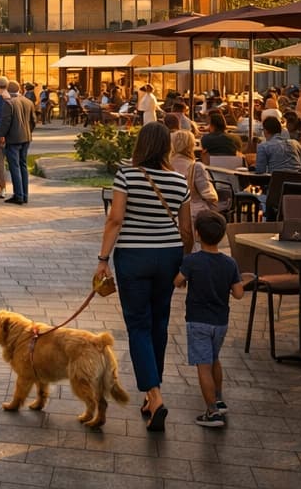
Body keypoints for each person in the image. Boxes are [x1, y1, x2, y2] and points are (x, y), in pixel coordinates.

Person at [95, 122, 192, 433]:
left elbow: (116, 219)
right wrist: (184, 267)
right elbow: (187, 231)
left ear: (140, 145)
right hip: (169, 257)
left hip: (133, 258)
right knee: (158, 324)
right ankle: (152, 396)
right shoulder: (180, 181)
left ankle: (155, 395)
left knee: (138, 325)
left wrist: (102, 259)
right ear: (166, 146)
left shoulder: (127, 175)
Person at [174, 212, 244, 428]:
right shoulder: (229, 263)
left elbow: (177, 282)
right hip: (220, 322)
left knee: (203, 367)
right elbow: (239, 293)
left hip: (198, 322)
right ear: (222, 236)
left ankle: (212, 412)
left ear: (196, 234)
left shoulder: (192, 261)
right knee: (214, 359)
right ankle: (219, 399)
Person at [169, 129, 219, 220]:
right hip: (193, 214)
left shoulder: (166, 166)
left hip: (171, 212)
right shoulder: (196, 167)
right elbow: (209, 196)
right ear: (191, 146)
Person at [4, 80, 34, 205]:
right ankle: (24, 194)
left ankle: (18, 195)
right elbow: (33, 121)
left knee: (14, 166)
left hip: (13, 139)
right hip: (26, 137)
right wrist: (28, 132)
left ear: (7, 90)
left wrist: (2, 136)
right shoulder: (28, 102)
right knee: (23, 165)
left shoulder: (9, 103)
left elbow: (6, 123)